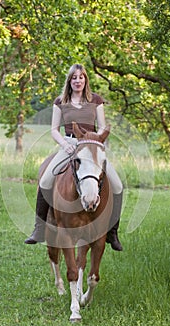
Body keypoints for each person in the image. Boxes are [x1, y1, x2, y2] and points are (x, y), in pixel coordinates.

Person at [25, 63, 123, 251]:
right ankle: (39, 229)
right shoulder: (60, 101)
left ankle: (112, 232)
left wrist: (97, 141)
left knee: (117, 185)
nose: (78, 81)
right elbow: (54, 129)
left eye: (81, 77)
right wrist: (65, 144)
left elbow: (102, 126)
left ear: (86, 79)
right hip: (70, 145)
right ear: (69, 81)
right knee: (45, 181)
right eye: (74, 78)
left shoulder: (96, 100)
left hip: (92, 147)